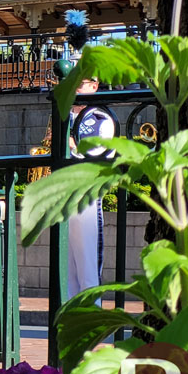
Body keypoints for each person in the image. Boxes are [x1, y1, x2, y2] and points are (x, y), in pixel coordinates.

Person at [67, 75, 115, 296]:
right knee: (66, 272)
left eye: (79, 84)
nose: (74, 88)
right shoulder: (63, 117)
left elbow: (105, 156)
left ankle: (90, 324)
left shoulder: (101, 119)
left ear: (94, 87)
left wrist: (73, 148)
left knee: (87, 269)